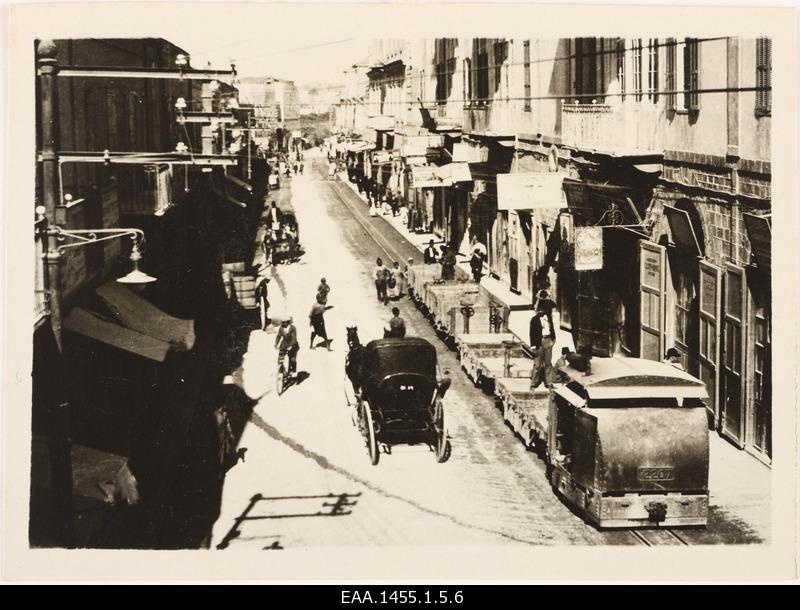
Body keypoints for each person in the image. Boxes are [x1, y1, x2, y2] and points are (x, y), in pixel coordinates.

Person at [529, 302, 557, 390]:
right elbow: (532, 333)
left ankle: (549, 383)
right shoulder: (534, 319)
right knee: (537, 364)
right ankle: (533, 383)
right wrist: (533, 345)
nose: (541, 311)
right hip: (539, 342)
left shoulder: (548, 318)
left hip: (548, 341)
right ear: (537, 310)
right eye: (540, 309)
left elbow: (552, 328)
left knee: (548, 363)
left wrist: (553, 340)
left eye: (543, 309)